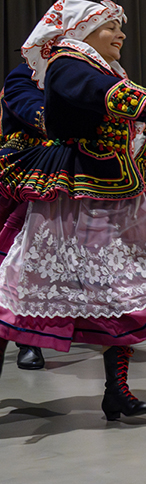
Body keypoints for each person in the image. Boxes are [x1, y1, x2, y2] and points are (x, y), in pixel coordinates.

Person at [0, 0, 146, 420]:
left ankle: (117, 391)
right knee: (21, 285)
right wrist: (144, 105)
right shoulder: (65, 62)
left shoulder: (105, 70)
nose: (121, 34)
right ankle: (33, 347)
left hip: (104, 188)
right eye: (111, 26)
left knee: (120, 291)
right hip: (59, 186)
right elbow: (63, 102)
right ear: (80, 32)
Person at [0, 64, 47, 371]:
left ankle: (32, 335)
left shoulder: (86, 71)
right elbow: (32, 110)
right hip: (23, 170)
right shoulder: (24, 75)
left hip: (65, 172)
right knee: (18, 253)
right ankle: (25, 338)